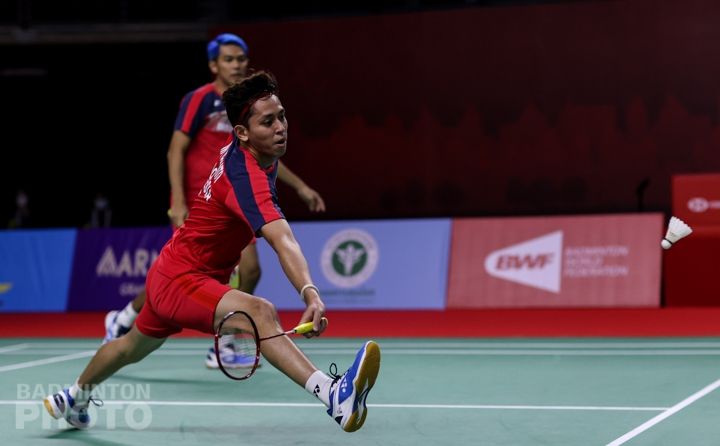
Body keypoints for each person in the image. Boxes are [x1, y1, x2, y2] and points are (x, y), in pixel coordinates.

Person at [43, 71, 380, 433]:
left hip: (175, 270)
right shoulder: (246, 176)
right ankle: (333, 396)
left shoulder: (259, 156)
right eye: (268, 121)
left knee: (130, 347)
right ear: (242, 133)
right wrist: (309, 290)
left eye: (281, 116)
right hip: (182, 278)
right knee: (259, 311)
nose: (281, 127)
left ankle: (73, 396)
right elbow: (283, 239)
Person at [103, 33, 326, 371]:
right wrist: (178, 200)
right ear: (213, 65)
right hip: (200, 199)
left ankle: (221, 338)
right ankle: (129, 316)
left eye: (241, 59)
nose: (237, 64)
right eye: (229, 59)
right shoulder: (201, 100)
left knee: (245, 270)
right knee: (179, 275)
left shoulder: (251, 107)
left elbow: (264, 158)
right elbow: (175, 148)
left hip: (236, 198)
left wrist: (301, 187)